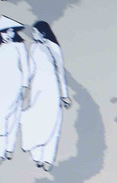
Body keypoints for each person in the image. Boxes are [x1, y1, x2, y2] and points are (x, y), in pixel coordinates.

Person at [20, 20, 70, 171]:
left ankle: (48, 159)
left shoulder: (53, 47)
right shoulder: (33, 47)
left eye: (35, 32)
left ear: (42, 32)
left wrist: (64, 95)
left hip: (52, 89)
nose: (33, 34)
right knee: (36, 120)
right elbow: (30, 70)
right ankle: (38, 156)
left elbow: (60, 71)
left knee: (52, 122)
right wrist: (23, 87)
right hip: (37, 89)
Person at [0, 16, 28, 162]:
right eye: (3, 32)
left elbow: (25, 67)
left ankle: (9, 148)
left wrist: (25, 86)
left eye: (9, 31)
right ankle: (2, 150)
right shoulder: (1, 47)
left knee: (13, 118)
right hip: (1, 86)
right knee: (2, 117)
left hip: (15, 85)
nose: (7, 35)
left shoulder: (20, 46)